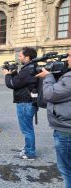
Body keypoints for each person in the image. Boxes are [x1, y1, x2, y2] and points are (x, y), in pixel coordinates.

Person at [35, 49, 71, 187]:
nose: (67, 59)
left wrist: (48, 77)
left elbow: (50, 94)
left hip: (66, 129)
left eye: (69, 56)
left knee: (67, 170)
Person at [2, 47, 39, 160]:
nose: (19, 57)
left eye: (21, 56)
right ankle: (28, 147)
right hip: (28, 102)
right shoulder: (31, 68)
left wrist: (7, 75)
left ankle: (30, 153)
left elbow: (13, 84)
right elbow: (20, 82)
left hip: (25, 103)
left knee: (26, 129)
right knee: (28, 128)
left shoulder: (27, 70)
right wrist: (14, 74)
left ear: (27, 57)